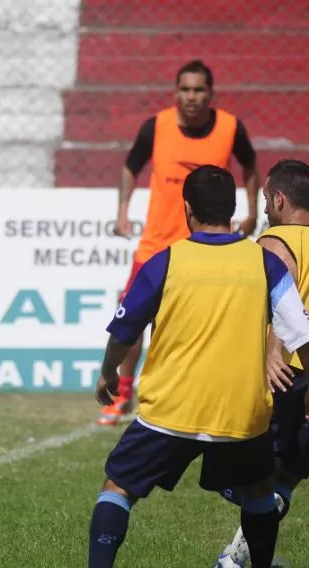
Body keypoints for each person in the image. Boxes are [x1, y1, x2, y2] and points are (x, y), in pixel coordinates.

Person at [67, 165, 309, 568]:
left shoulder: (166, 261)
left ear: (186, 209)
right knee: (260, 487)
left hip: (171, 411)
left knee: (118, 488)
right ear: (234, 211)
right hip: (241, 413)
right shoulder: (262, 262)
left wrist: (109, 373)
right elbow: (303, 334)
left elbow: (125, 330)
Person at [212, 159, 309, 568]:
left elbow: (283, 293)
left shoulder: (275, 240)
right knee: (284, 481)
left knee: (235, 466)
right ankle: (236, 559)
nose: (262, 209)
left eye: (264, 200)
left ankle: (246, 542)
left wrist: (271, 352)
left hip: (292, 373)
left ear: (279, 198)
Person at [99, 59, 260, 427]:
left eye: (199, 90)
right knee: (134, 321)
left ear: (211, 94)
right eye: (185, 89)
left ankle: (210, 396)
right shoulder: (155, 126)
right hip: (155, 246)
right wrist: (122, 210)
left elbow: (251, 166)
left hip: (210, 246)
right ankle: (122, 395)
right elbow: (130, 166)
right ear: (176, 92)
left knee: (213, 324)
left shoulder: (230, 127)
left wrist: (253, 211)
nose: (192, 97)